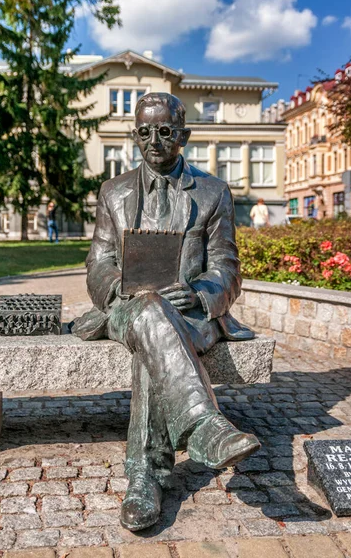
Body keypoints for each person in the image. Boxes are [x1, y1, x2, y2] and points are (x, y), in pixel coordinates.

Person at [72, 92, 260, 532]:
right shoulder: (113, 193)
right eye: (143, 131)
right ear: (134, 134)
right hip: (125, 307)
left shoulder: (213, 193)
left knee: (153, 326)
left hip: (190, 314)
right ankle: (203, 424)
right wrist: (118, 285)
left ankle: (145, 475)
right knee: (147, 310)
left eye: (165, 131)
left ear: (184, 136)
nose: (153, 140)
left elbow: (226, 265)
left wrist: (198, 294)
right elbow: (98, 262)